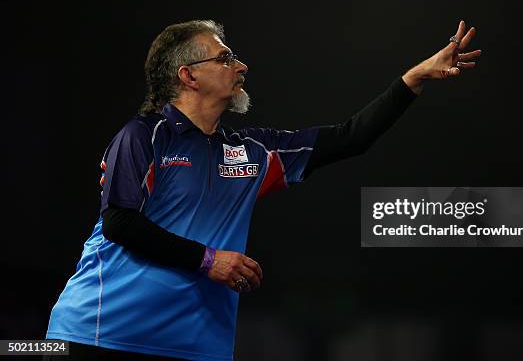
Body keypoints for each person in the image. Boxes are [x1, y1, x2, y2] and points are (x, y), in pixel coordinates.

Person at [45, 19, 481, 360]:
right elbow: (120, 222)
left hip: (195, 346)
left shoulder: (254, 151)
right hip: (101, 335)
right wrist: (208, 260)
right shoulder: (144, 136)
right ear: (188, 76)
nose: (241, 66)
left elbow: (350, 137)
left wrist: (414, 80)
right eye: (225, 57)